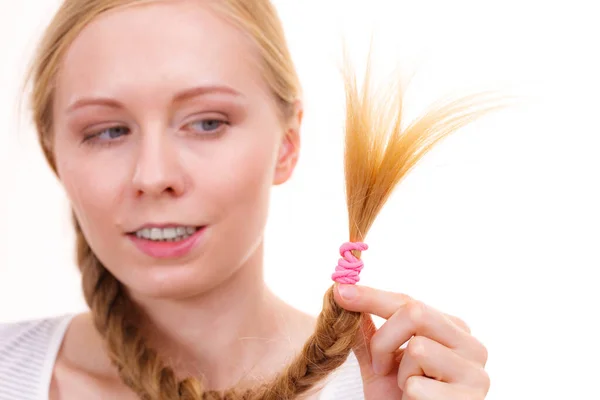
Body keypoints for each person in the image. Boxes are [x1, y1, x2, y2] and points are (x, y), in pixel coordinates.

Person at [0, 1, 497, 399]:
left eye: (207, 123)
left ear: (287, 143)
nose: (153, 176)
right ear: (53, 156)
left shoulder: (399, 390)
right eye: (107, 131)